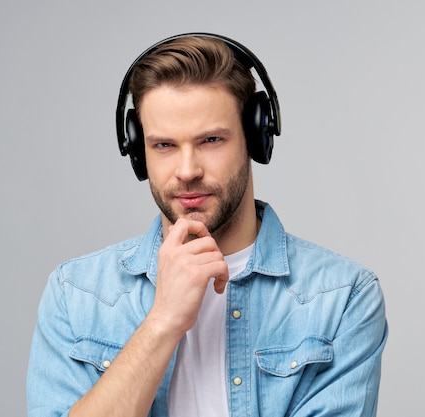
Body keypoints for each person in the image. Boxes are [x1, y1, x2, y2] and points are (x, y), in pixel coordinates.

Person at [27, 33, 388, 417]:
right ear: (137, 151)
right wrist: (163, 322)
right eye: (164, 145)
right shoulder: (76, 294)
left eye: (211, 140)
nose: (187, 171)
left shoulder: (342, 297)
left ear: (255, 137)